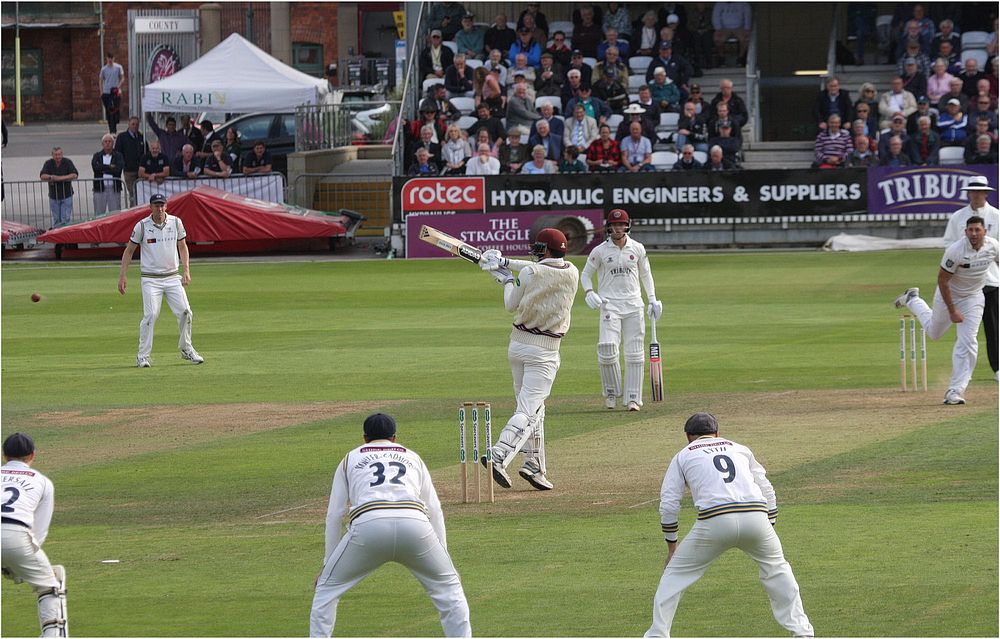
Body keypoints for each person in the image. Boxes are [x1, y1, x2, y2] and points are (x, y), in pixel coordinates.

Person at [644, 412, 814, 638]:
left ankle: (657, 635)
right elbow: (767, 490)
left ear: (688, 436)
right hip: (756, 516)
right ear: (717, 433)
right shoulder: (740, 448)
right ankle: (802, 632)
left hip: (714, 521)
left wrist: (671, 547)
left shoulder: (682, 455)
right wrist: (768, 527)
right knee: (778, 570)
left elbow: (669, 505)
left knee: (673, 577)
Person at [308, 413, 471, 638]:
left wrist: (327, 566)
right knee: (451, 591)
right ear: (394, 438)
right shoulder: (413, 457)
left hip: (368, 526)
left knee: (326, 589)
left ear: (365, 438)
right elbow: (435, 509)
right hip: (415, 524)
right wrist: (446, 560)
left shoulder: (350, 458)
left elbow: (334, 515)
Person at [477, 229, 579, 490]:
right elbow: (535, 269)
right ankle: (499, 454)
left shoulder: (529, 274)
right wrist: (504, 263)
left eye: (538, 247)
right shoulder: (572, 272)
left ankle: (534, 465)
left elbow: (511, 304)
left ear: (545, 250)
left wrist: (506, 280)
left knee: (533, 409)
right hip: (544, 352)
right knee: (528, 409)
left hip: (518, 346)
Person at [895, 213, 1000, 404]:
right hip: (948, 295)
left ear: (985, 231)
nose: (974, 234)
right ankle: (913, 300)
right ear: (965, 231)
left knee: (968, 340)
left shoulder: (993, 246)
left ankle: (955, 390)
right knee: (934, 333)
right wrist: (952, 310)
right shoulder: (956, 250)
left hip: (974, 298)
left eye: (978, 230)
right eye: (970, 230)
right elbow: (942, 281)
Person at [580, 209, 661, 410]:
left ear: (627, 225)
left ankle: (633, 398)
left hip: (634, 305)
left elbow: (646, 275)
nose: (617, 228)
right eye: (614, 225)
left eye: (621, 225)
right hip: (609, 305)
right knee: (607, 348)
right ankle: (611, 393)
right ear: (608, 227)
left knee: (634, 353)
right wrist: (589, 291)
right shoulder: (599, 251)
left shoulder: (638, 248)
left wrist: (652, 299)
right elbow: (585, 275)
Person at [117, 192, 204, 368]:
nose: (160, 208)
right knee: (150, 315)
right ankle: (143, 356)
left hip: (172, 276)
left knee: (186, 312)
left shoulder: (176, 222)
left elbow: (182, 246)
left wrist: (186, 270)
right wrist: (123, 275)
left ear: (166, 206)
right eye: (156, 205)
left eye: (162, 205)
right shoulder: (142, 226)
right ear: (150, 207)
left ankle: (186, 349)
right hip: (151, 279)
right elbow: (129, 250)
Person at [1, 432, 68, 638]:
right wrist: (18, 562)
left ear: (4, 455)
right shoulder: (43, 482)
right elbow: (39, 532)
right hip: (17, 536)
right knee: (50, 585)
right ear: (33, 455)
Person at [941, 177, 999, 382]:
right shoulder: (958, 217)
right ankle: (964, 374)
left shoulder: (996, 216)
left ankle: (997, 369)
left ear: (986, 193)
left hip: (990, 280)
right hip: (963, 282)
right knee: (966, 333)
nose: (975, 195)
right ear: (968, 194)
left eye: (979, 191)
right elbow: (948, 244)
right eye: (972, 191)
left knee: (993, 327)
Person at [39, 147, 78, 228]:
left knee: (65, 219)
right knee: (57, 219)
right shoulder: (48, 163)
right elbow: (42, 176)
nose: (58, 157)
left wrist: (59, 178)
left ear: (62, 154)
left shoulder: (67, 162)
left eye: (59, 154)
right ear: (52, 155)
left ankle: (66, 237)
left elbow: (74, 174)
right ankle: (58, 238)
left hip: (66, 195)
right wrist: (51, 177)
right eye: (56, 155)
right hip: (54, 196)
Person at [114, 116, 146, 206]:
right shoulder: (122, 137)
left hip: (140, 170)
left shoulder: (141, 137)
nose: (135, 126)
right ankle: (133, 210)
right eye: (133, 124)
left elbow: (145, 152)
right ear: (129, 124)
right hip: (129, 171)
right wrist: (124, 165)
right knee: (133, 193)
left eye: (136, 124)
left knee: (140, 193)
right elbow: (118, 153)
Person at [92, 133, 125, 215]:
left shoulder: (118, 155)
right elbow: (96, 168)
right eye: (105, 141)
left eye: (109, 141)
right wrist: (110, 167)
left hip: (114, 188)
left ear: (112, 143)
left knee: (115, 213)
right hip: (99, 188)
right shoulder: (97, 155)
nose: (107, 143)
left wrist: (103, 169)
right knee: (99, 213)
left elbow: (118, 170)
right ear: (102, 144)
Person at [99, 53, 124, 134]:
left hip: (115, 92)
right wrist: (101, 91)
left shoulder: (118, 67)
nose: (110, 60)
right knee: (109, 111)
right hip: (106, 92)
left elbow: (122, 78)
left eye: (111, 58)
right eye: (108, 58)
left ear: (114, 58)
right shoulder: (104, 69)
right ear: (106, 59)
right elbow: (101, 80)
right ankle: (112, 130)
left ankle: (115, 125)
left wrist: (118, 87)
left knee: (115, 110)